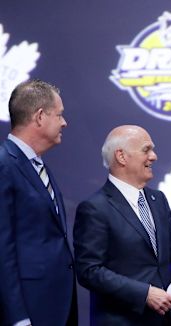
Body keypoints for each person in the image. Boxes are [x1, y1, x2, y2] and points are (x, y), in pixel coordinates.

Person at [73, 125, 171, 325]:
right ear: (121, 156)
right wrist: (144, 293)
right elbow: (89, 271)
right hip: (122, 320)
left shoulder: (159, 199)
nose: (154, 156)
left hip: (165, 321)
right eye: (146, 150)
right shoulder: (95, 208)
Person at [0, 80, 77, 326]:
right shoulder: (4, 164)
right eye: (60, 115)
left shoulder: (38, 166)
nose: (64, 122)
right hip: (27, 311)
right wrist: (17, 317)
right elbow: (2, 248)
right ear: (40, 116)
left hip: (55, 308)